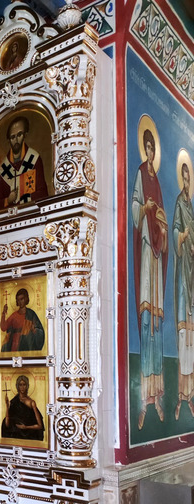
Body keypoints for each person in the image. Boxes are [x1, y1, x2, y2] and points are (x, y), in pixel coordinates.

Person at [132, 127, 168, 429]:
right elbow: (135, 205)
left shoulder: (158, 181)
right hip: (146, 247)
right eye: (147, 148)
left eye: (152, 148)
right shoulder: (141, 174)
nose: (150, 152)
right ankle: (143, 398)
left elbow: (165, 218)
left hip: (157, 255)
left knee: (157, 322)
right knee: (147, 321)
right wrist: (144, 208)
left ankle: (158, 395)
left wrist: (164, 228)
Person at [0, 116, 48, 212]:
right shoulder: (1, 172)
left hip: (32, 214)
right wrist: (8, 200)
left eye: (19, 134)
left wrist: (22, 200)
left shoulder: (34, 160)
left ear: (25, 135)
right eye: (13, 137)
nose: (16, 140)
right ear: (9, 140)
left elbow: (43, 194)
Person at [173, 161, 194, 419]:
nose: (187, 183)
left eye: (189, 179)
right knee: (183, 334)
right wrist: (182, 237)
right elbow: (176, 231)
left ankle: (190, 395)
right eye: (185, 178)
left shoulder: (191, 207)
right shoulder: (180, 203)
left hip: (192, 272)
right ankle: (181, 395)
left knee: (192, 336)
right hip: (183, 276)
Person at [0, 288, 44, 352]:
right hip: (15, 344)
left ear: (26, 299)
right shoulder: (14, 315)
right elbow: (3, 327)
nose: (20, 302)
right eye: (18, 300)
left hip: (27, 344)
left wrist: (34, 330)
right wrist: (3, 313)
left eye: (22, 299)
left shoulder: (31, 314)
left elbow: (39, 330)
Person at [1, 375, 44, 440]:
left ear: (27, 386)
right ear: (17, 386)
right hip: (15, 435)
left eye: (24, 385)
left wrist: (25, 427)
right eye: (20, 385)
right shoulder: (14, 402)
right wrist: (7, 406)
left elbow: (40, 426)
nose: (22, 387)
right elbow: (7, 424)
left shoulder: (31, 402)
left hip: (28, 436)